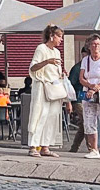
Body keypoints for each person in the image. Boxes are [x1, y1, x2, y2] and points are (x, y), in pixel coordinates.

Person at [27, 26, 67, 156]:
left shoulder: (57, 52)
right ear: (52, 36)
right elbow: (33, 68)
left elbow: (57, 69)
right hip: (42, 86)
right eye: (59, 36)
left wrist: (61, 74)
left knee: (52, 116)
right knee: (39, 114)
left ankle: (45, 146)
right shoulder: (41, 48)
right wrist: (47, 62)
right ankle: (33, 146)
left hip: (54, 87)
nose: (61, 39)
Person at [66, 55, 87, 152]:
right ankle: (89, 146)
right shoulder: (77, 68)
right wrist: (68, 102)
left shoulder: (91, 67)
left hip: (88, 99)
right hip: (78, 99)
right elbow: (69, 86)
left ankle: (76, 147)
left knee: (86, 123)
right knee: (85, 121)